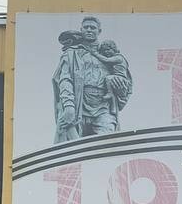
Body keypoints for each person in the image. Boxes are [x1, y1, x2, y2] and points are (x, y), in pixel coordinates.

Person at [52, 15, 133, 143]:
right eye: (86, 27)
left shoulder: (108, 53)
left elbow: (125, 83)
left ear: (99, 31)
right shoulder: (72, 53)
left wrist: (120, 85)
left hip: (103, 105)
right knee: (74, 147)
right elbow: (65, 80)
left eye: (93, 27)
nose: (89, 30)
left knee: (107, 142)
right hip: (79, 104)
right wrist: (68, 106)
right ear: (81, 30)